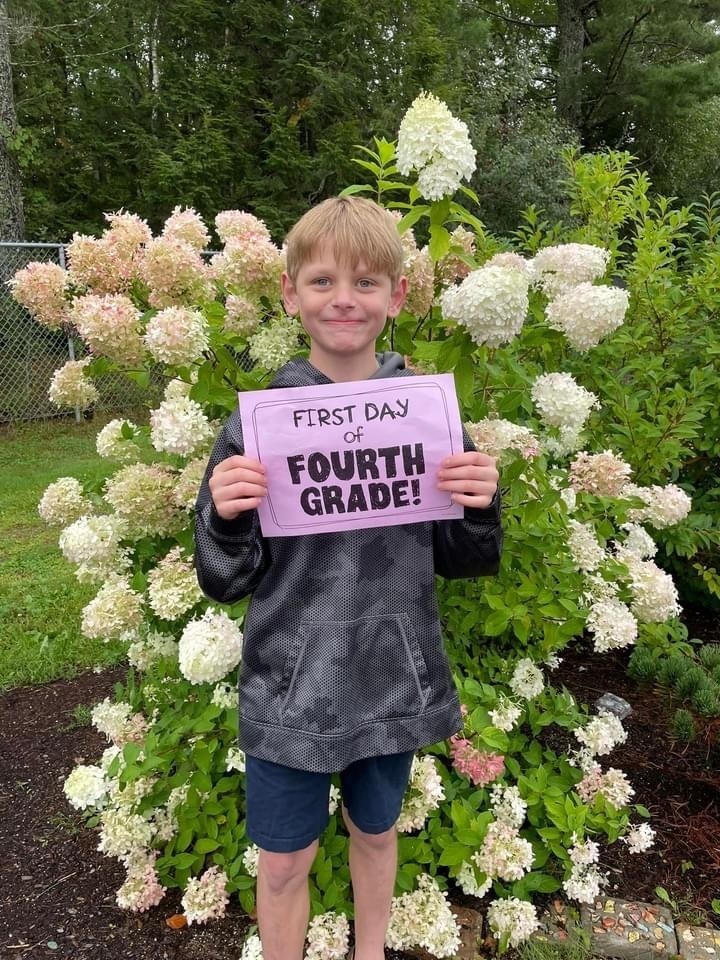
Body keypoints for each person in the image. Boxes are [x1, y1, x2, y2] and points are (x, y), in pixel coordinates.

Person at [194, 196, 502, 960]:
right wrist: (227, 517)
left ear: (397, 297)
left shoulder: (425, 413)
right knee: (285, 859)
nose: (344, 299)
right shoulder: (259, 424)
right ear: (291, 293)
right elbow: (224, 578)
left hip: (389, 673)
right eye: (324, 280)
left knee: (375, 833)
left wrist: (480, 506)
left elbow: (462, 559)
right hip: (289, 684)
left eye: (366, 282)